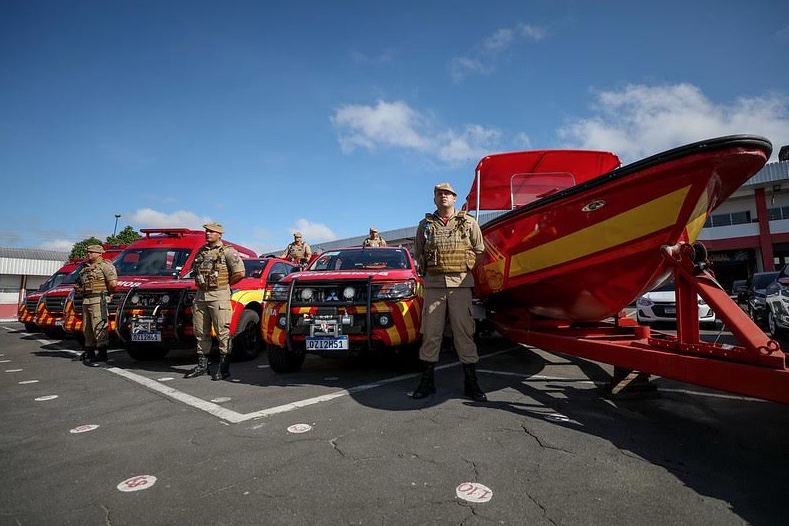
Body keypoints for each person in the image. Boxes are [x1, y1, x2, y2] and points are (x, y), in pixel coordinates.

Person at [411, 182, 487, 401]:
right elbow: (419, 252)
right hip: (434, 285)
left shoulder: (468, 223)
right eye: (439, 194)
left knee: (464, 333)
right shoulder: (425, 225)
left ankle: (471, 383)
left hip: (460, 285)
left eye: (447, 194)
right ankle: (427, 382)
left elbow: (479, 250)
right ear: (434, 199)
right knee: (430, 334)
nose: (443, 196)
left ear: (454, 198)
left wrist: (467, 265)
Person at [184, 223, 246, 381]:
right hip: (200, 295)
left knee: (222, 332)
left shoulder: (228, 251)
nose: (207, 233)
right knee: (200, 331)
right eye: (206, 231)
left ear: (220, 234)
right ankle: (202, 366)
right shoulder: (201, 252)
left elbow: (240, 273)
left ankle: (224, 368)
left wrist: (225, 285)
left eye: (212, 231)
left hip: (219, 295)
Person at [76, 244, 118, 366]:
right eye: (88, 252)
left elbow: (113, 283)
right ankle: (89, 350)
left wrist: (108, 294)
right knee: (87, 327)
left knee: (99, 325)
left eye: (91, 252)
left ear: (99, 253)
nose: (89, 254)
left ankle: (102, 351)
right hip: (86, 300)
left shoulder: (105, 266)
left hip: (99, 299)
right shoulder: (85, 268)